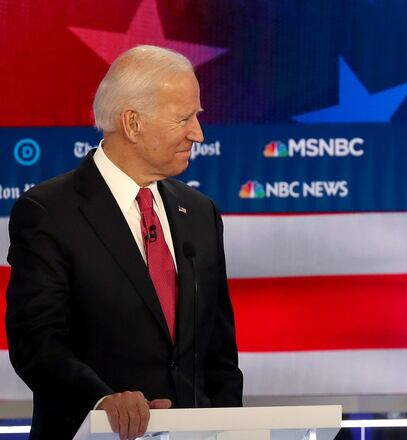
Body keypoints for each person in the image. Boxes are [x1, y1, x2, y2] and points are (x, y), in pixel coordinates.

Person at [5, 45, 243, 440]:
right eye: (184, 118)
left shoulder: (199, 212)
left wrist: (231, 430)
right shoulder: (50, 212)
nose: (198, 133)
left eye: (197, 116)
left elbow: (220, 356)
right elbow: (37, 342)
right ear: (132, 123)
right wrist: (102, 401)